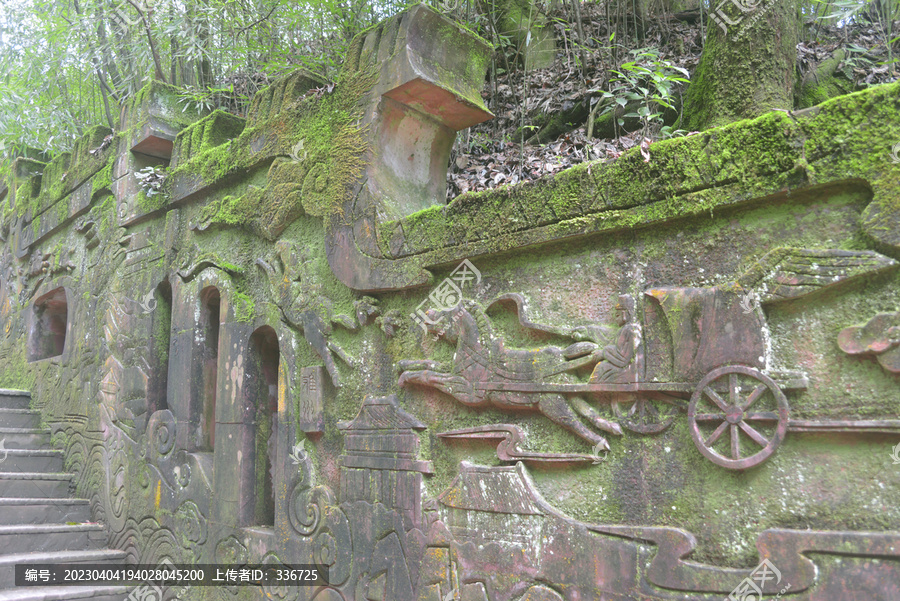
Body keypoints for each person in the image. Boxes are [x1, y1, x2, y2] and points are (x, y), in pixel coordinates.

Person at [590, 294, 641, 383]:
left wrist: (604, 353)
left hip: (628, 369)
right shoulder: (624, 329)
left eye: (617, 316)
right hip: (624, 366)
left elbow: (623, 358)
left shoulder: (630, 330)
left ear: (624, 315)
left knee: (601, 368)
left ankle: (591, 391)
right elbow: (613, 344)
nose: (615, 319)